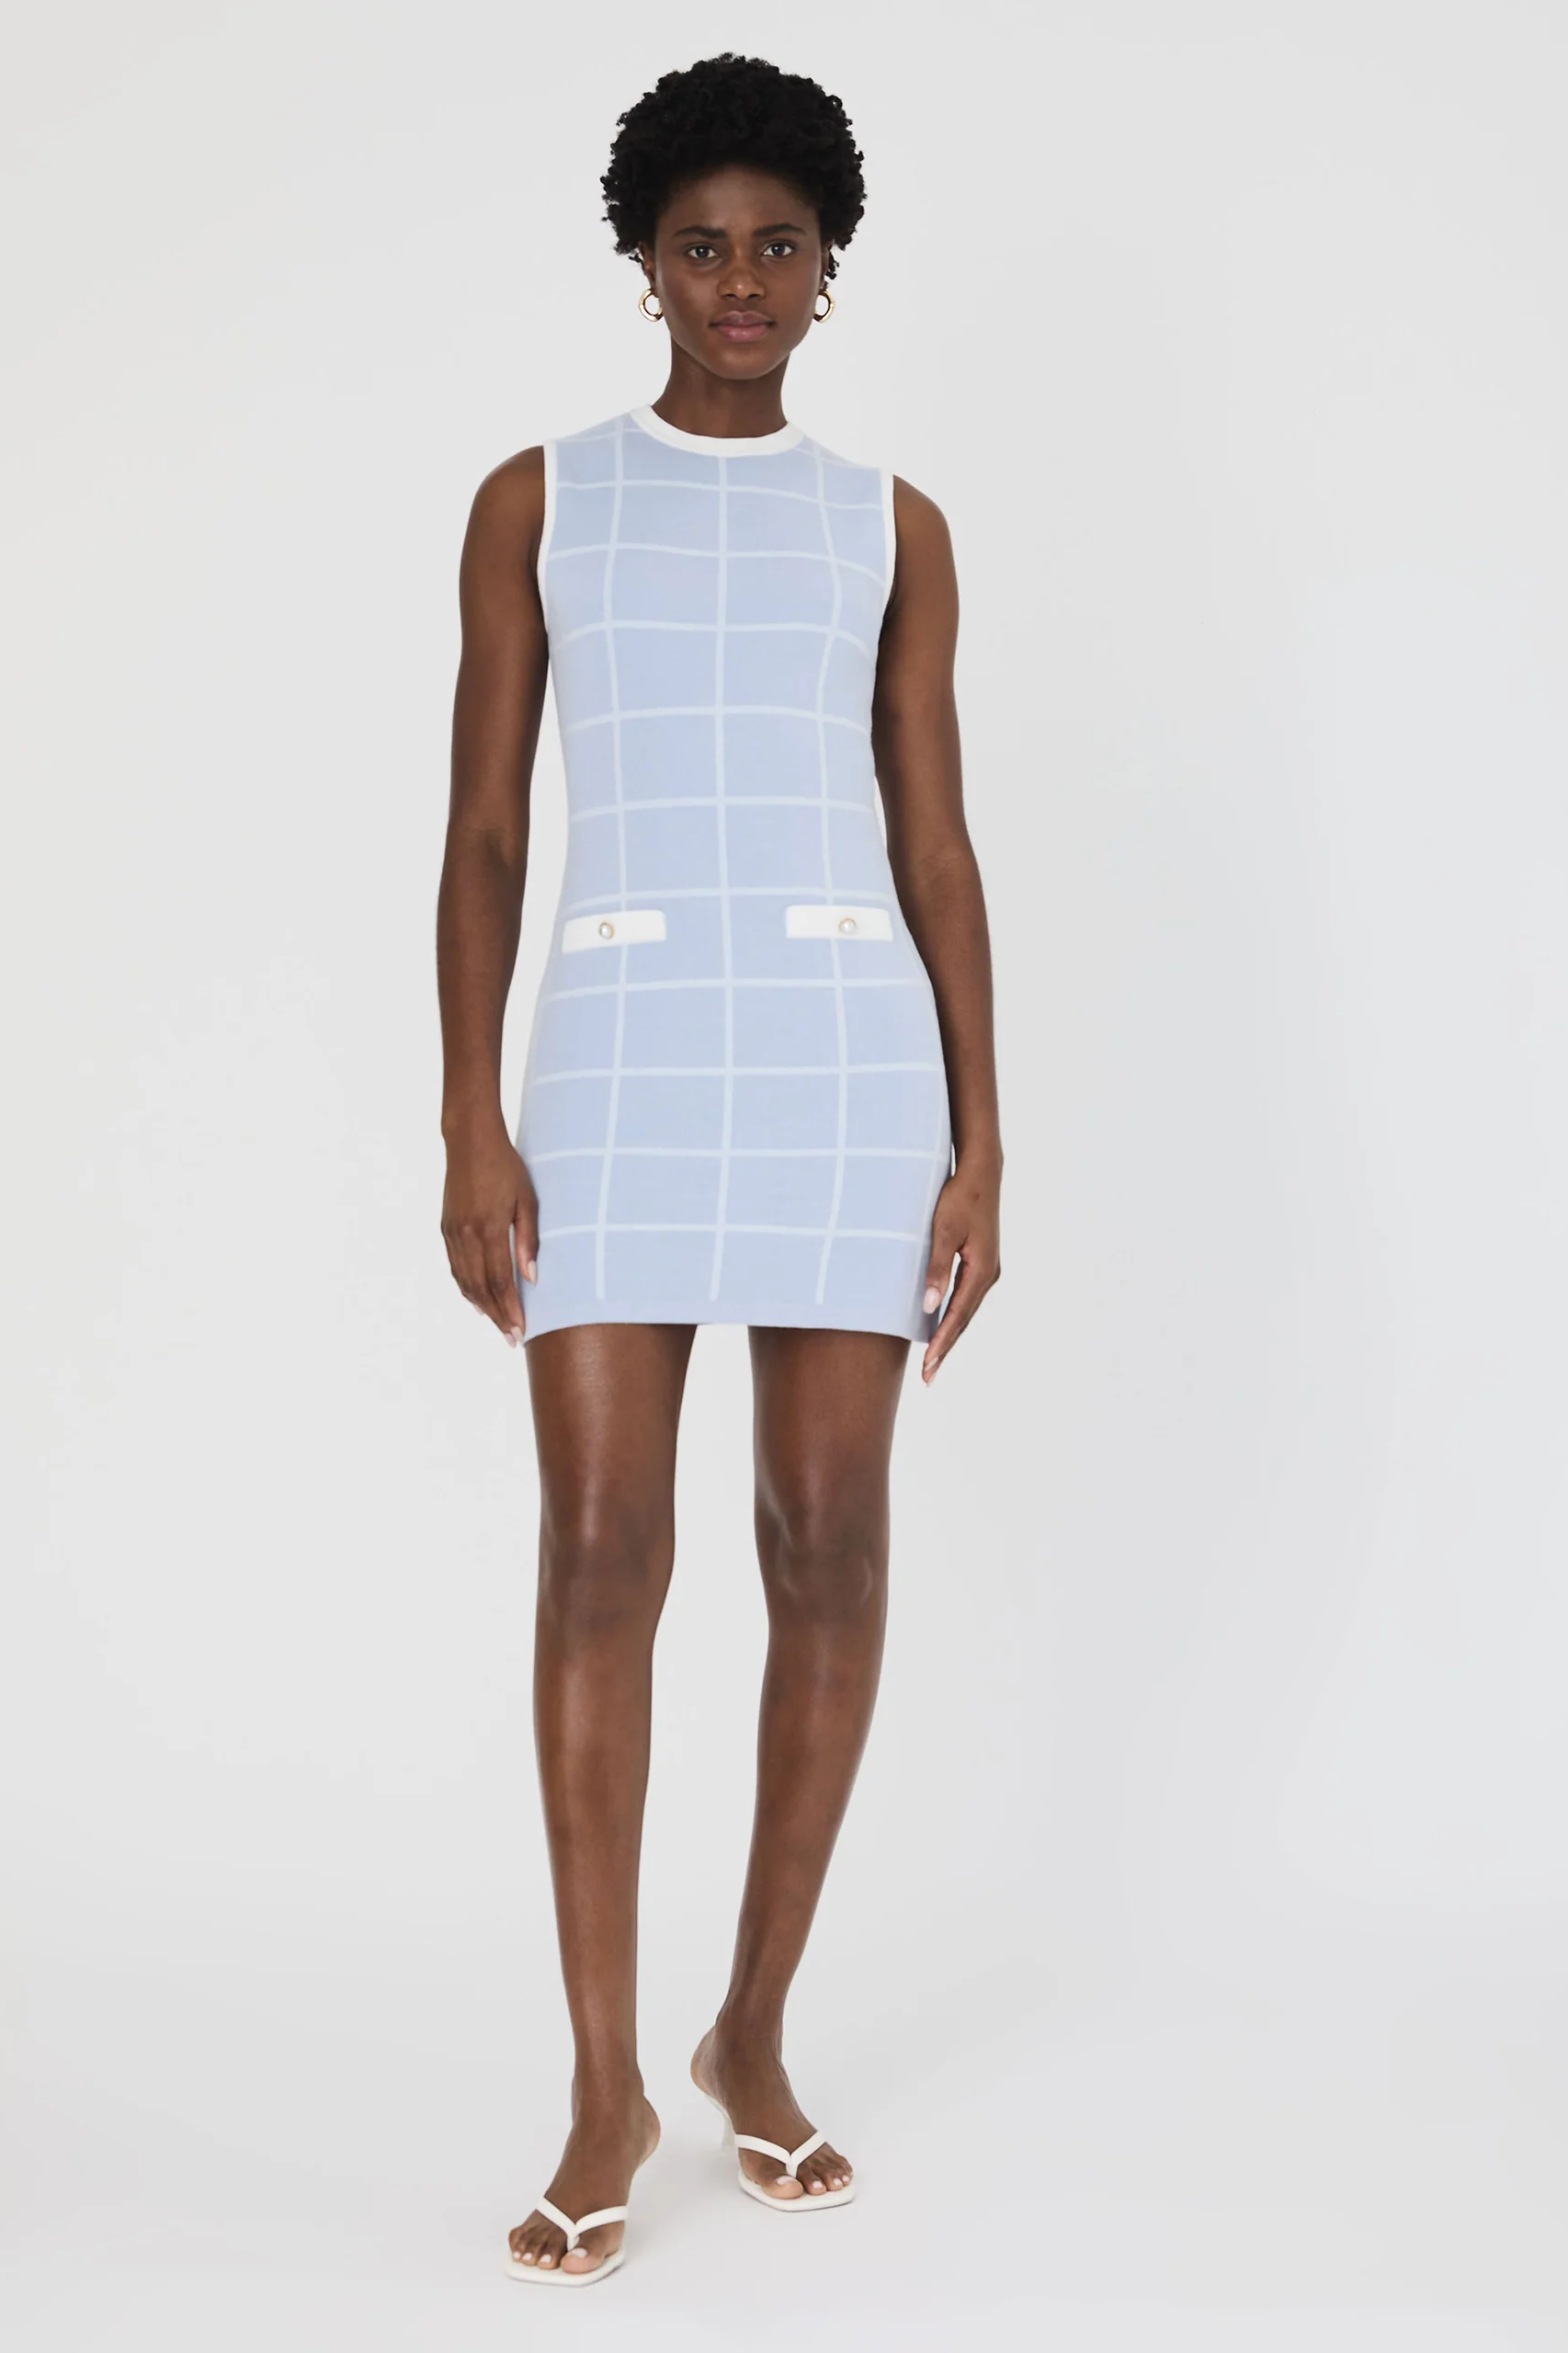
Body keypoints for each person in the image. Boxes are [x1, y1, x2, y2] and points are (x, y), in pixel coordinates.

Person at [436, 51, 1002, 2286]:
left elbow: (937, 841)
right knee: (600, 1543)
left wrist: (981, 1135)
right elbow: (488, 830)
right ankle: (604, 2079)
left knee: (825, 1543)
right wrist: (470, 1110)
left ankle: (749, 2030)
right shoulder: (539, 500)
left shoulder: (892, 526)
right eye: (701, 245)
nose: (739, 280)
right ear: (644, 264)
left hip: (849, 1059)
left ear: (829, 271)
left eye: (779, 245)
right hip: (619, 1052)